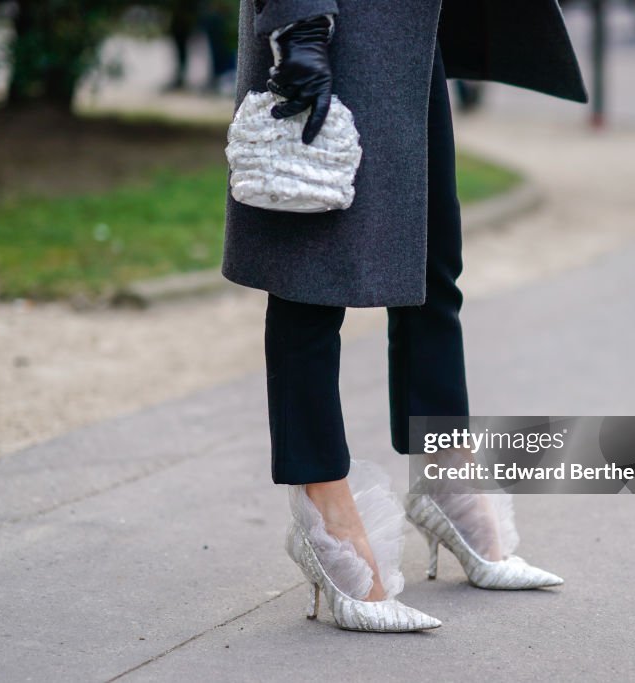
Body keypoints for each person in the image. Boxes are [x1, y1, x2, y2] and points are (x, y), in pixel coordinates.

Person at [223, 0, 587, 632]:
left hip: (410, 27)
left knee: (430, 268)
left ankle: (449, 479)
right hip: (331, 27)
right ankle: (327, 518)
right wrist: (299, 23)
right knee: (310, 280)